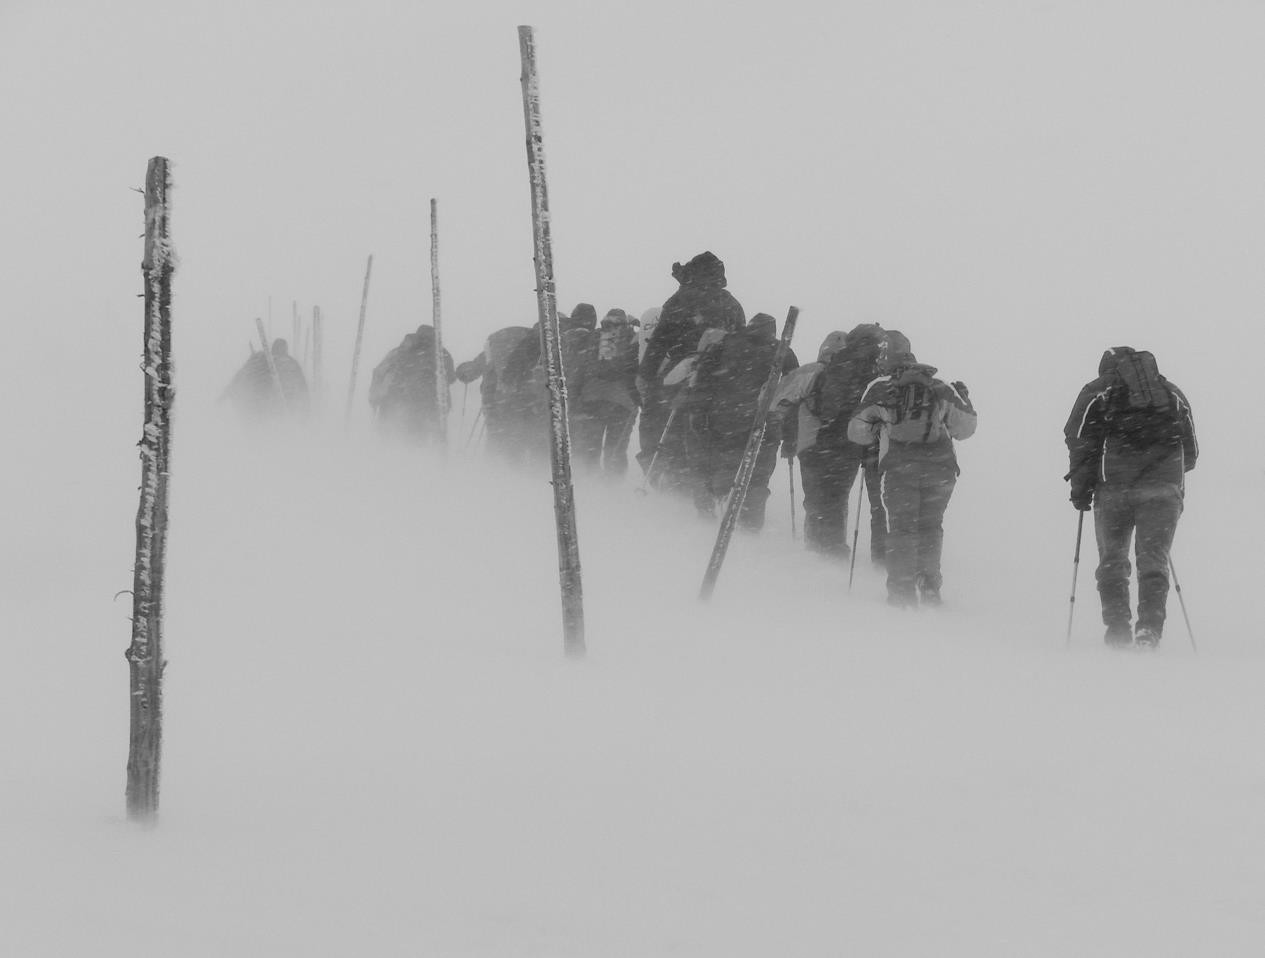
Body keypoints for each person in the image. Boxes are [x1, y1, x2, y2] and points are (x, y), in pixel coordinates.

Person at [1064, 347, 1197, 648]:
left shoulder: (1098, 392)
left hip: (1114, 489)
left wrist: (1081, 488)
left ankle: (1117, 629)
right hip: (1163, 490)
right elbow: (1191, 453)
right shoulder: (1169, 392)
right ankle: (1149, 630)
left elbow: (1078, 437)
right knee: (1153, 560)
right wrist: (1165, 477)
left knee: (1113, 560)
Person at [848, 349, 975, 607]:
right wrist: (964, 400)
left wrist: (879, 429)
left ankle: (901, 593)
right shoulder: (941, 388)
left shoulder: (880, 390)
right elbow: (966, 428)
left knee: (902, 530)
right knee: (931, 527)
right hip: (940, 470)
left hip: (898, 469)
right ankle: (929, 587)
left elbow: (856, 432)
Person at [775, 324, 888, 562]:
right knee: (837, 498)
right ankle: (835, 551)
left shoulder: (812, 371)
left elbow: (777, 400)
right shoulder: (868, 375)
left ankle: (816, 551)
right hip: (850, 446)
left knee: (816, 499)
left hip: (813, 444)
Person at [637, 252, 745, 475]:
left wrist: (646, 374)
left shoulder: (681, 299)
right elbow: (740, 341)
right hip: (722, 376)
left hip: (681, 371)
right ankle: (705, 481)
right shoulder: (732, 304)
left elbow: (660, 339)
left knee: (662, 419)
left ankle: (668, 473)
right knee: (705, 428)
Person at [687, 312, 798, 528]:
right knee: (757, 478)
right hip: (765, 425)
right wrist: (791, 436)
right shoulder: (783, 352)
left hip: (723, 421)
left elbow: (703, 381)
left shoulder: (725, 343)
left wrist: (699, 414)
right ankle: (749, 527)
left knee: (714, 469)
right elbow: (792, 396)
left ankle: (708, 516)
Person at [573, 308, 641, 478]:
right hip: (623, 402)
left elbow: (580, 367)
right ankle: (613, 488)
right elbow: (638, 368)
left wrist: (576, 396)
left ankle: (591, 486)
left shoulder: (594, 337)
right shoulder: (633, 338)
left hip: (592, 398)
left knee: (591, 447)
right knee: (615, 449)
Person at [455, 325, 535, 462]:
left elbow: (473, 369)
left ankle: (496, 469)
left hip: (496, 400)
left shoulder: (493, 349)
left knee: (499, 437)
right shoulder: (531, 346)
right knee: (520, 437)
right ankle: (519, 469)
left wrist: (463, 373)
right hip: (525, 400)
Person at [368, 326, 455, 442]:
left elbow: (379, 372)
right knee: (420, 443)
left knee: (392, 442)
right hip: (429, 406)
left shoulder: (400, 351)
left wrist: (374, 398)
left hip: (395, 403)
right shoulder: (440, 354)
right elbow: (451, 378)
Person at [222, 338, 309, 421]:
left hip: (265, 404)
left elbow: (241, 375)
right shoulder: (290, 362)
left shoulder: (261, 360)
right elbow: (302, 386)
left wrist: (227, 392)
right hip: (281, 403)